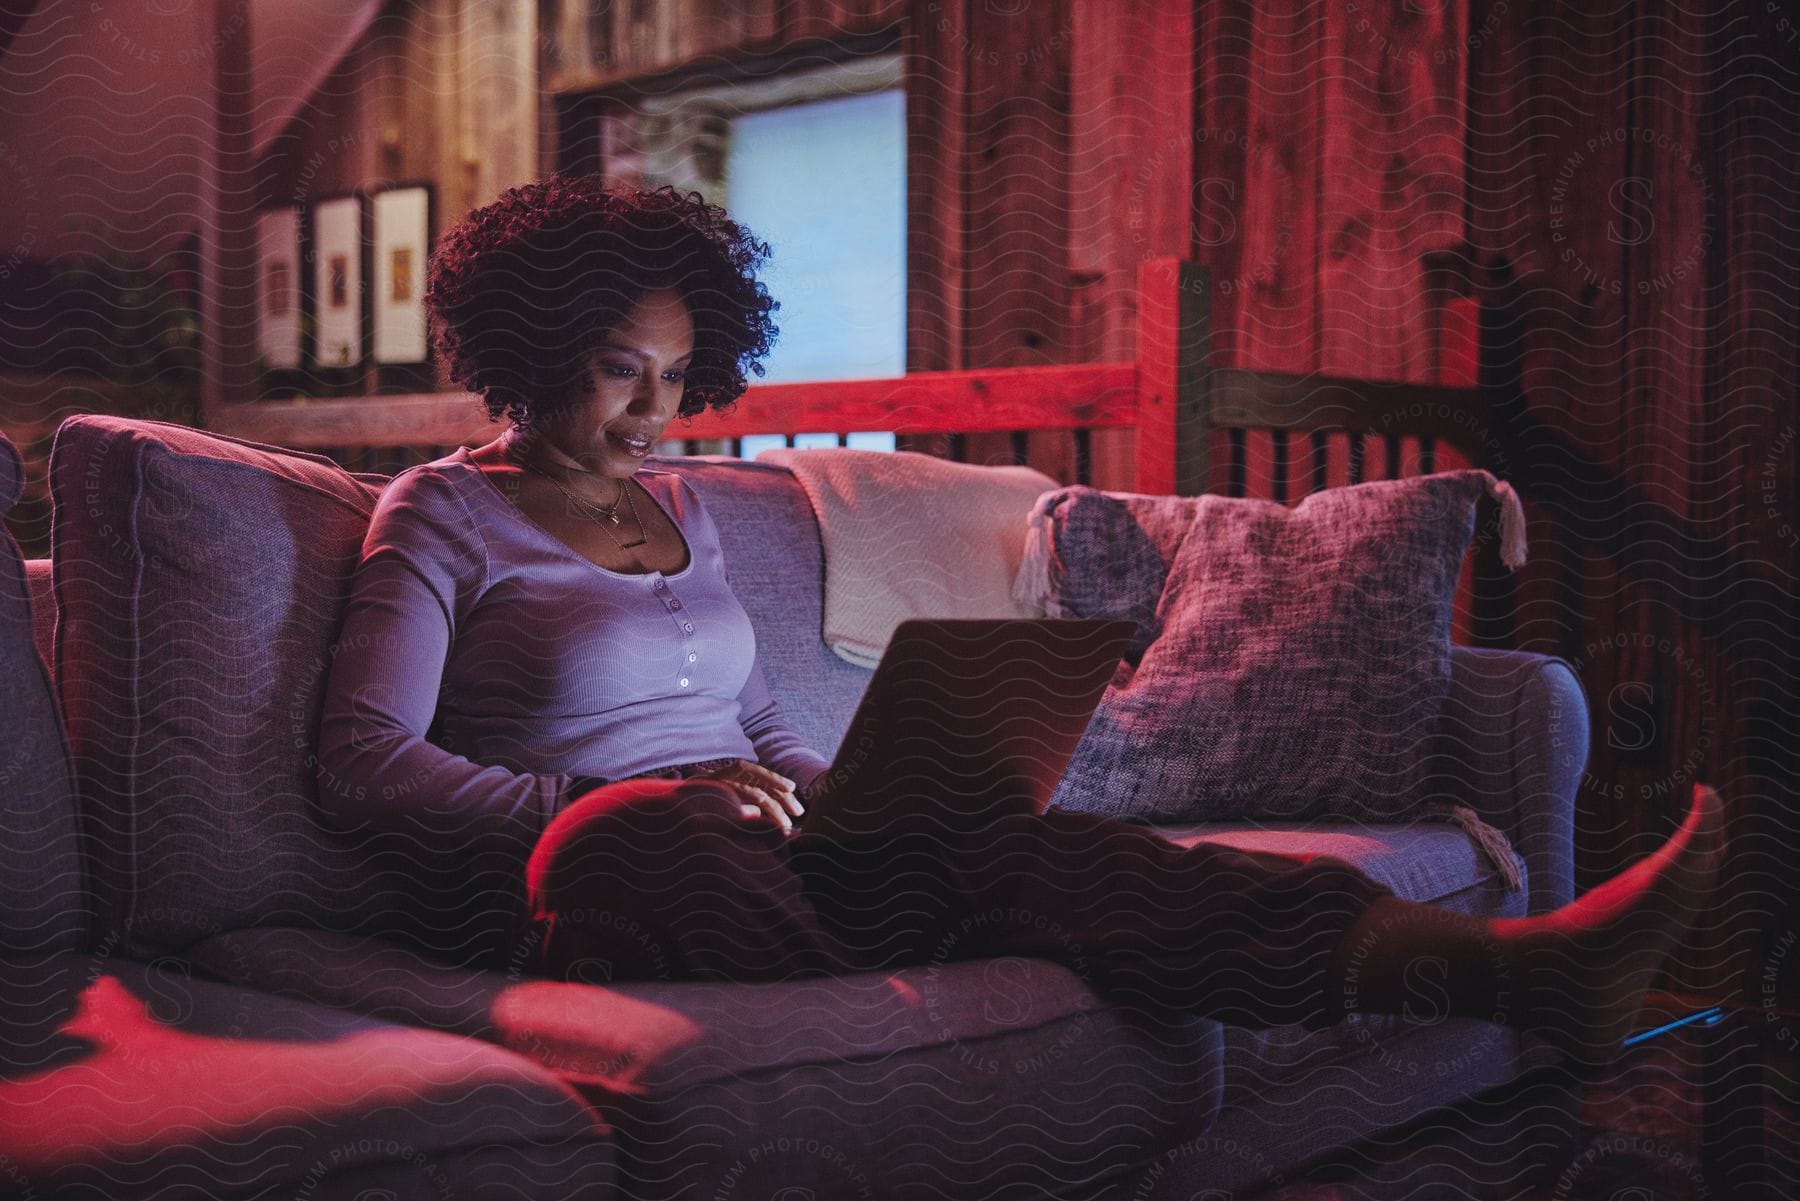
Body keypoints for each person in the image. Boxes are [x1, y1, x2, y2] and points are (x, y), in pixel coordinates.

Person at [314, 177, 1722, 1069]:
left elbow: (745, 720)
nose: (656, 414)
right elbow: (366, 761)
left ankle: (1521, 970)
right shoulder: (439, 513)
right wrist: (597, 791)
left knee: (1024, 843)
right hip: (584, 874)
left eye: (680, 378)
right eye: (624, 373)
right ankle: (952, 953)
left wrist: (839, 797)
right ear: (534, 348)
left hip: (766, 868)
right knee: (631, 825)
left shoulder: (682, 508)